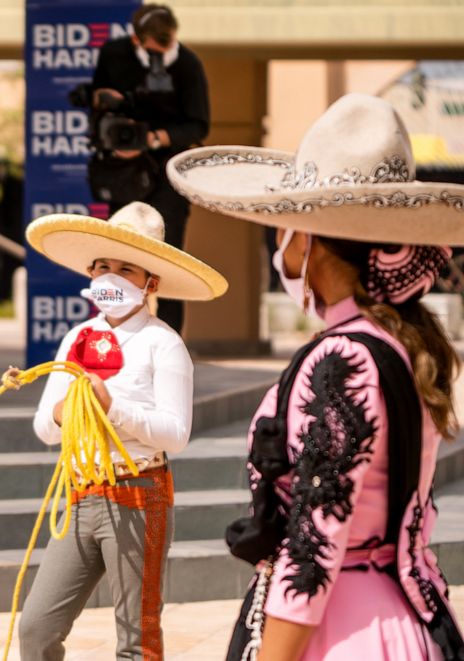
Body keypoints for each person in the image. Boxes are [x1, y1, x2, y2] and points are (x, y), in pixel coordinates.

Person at [167, 93, 464, 660]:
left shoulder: (339, 359)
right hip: (407, 611)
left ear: (308, 241)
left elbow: (314, 544)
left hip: (339, 631)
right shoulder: (403, 343)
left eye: (284, 227)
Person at [16, 201, 227, 660]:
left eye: (126, 268)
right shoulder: (76, 339)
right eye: (103, 266)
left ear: (150, 282)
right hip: (79, 494)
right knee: (36, 628)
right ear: (90, 273)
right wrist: (64, 412)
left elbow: (176, 434)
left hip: (138, 493)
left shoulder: (162, 343)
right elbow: (44, 427)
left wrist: (112, 407)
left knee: (136, 637)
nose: (111, 277)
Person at [89, 3, 209, 335]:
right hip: (124, 174)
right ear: (136, 40)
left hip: (167, 176)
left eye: (167, 46)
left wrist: (154, 138)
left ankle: (168, 341)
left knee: (168, 260)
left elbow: (199, 125)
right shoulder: (115, 56)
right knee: (119, 256)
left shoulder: (187, 64)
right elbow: (96, 111)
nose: (163, 55)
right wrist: (110, 122)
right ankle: (118, 333)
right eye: (154, 49)